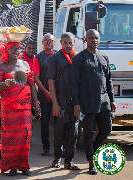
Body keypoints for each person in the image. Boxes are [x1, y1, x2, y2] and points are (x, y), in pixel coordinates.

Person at [72, 29, 116, 175]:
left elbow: (108, 80)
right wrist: (77, 104)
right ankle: (92, 162)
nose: (94, 40)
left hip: (103, 101)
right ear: (86, 40)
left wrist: (112, 100)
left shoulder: (104, 57)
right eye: (91, 38)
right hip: (86, 102)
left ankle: (93, 149)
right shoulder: (79, 58)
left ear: (99, 40)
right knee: (88, 133)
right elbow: (74, 83)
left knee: (107, 129)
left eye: (96, 38)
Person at [0, 42, 41, 176]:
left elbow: (32, 85)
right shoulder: (1, 66)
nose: (16, 50)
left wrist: (36, 103)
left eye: (18, 48)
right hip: (9, 107)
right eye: (13, 48)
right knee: (11, 136)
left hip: (25, 106)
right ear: (7, 51)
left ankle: (23, 165)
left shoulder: (25, 65)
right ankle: (12, 167)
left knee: (25, 135)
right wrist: (5, 84)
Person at [47, 32, 80, 170]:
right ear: (61, 43)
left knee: (74, 132)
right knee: (59, 131)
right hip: (60, 100)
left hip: (75, 102)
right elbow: (51, 81)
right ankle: (57, 157)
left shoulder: (78, 58)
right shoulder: (55, 58)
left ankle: (69, 160)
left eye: (70, 42)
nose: (68, 45)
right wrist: (55, 103)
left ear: (74, 43)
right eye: (65, 42)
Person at [32, 33, 56, 156]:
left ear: (54, 42)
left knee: (59, 122)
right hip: (44, 94)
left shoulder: (60, 55)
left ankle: (59, 147)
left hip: (58, 95)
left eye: (50, 40)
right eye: (45, 40)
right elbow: (36, 77)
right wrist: (46, 92)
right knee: (45, 121)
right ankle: (45, 147)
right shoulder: (39, 57)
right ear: (42, 43)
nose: (48, 42)